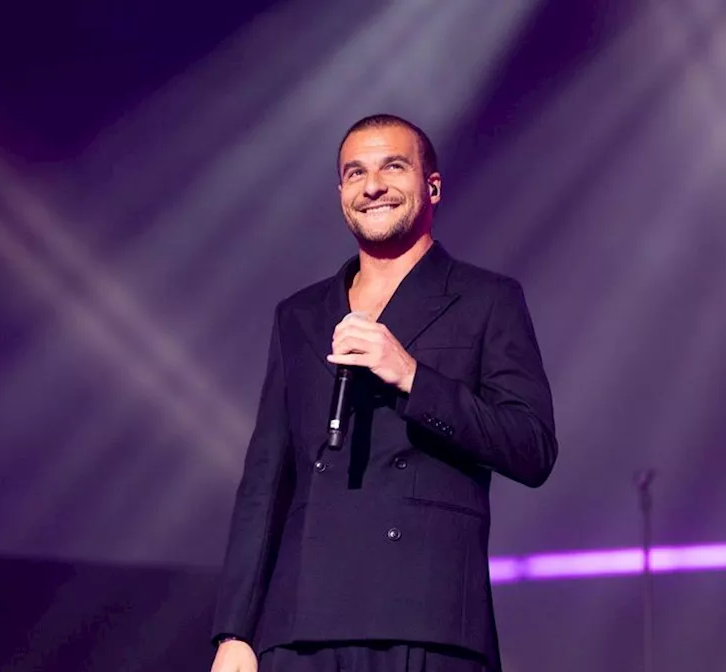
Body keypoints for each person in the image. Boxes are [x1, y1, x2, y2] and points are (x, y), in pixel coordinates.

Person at [208, 114, 558, 672]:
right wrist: (234, 633)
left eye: (392, 166)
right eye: (354, 173)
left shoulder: (486, 299)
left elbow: (531, 446)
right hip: (300, 626)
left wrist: (414, 377)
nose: (371, 186)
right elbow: (266, 480)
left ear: (432, 186)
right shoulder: (300, 315)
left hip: (425, 616)